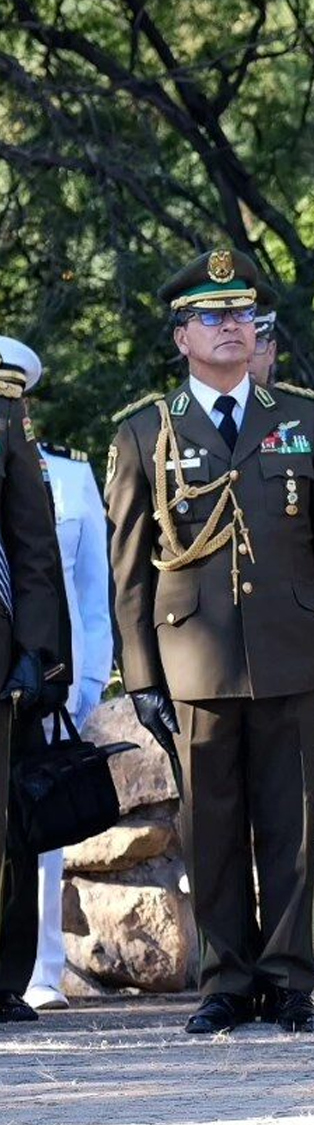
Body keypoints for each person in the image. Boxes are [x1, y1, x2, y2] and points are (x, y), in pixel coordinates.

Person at [106, 247, 314, 1035]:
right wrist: (141, 677)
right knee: (211, 828)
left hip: (291, 651)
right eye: (212, 316)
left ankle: (288, 980)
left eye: (243, 314)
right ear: (182, 336)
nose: (231, 327)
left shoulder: (303, 419)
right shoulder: (146, 432)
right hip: (194, 660)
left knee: (292, 825)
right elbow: (130, 571)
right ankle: (225, 979)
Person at [0, 342, 69, 1026]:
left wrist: (37, 652)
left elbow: (33, 546)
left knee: (5, 824)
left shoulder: (3, 407)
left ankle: (2, 976)